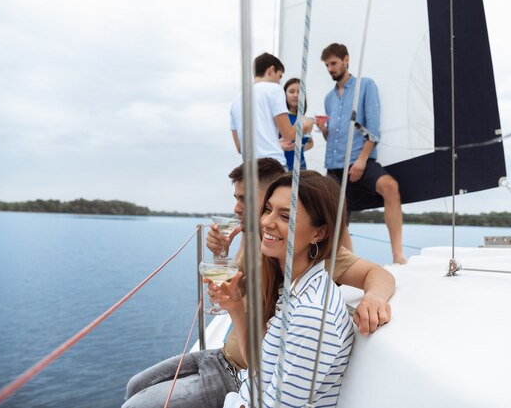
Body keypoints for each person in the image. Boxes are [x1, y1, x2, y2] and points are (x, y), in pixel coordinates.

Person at [123, 158, 395, 408]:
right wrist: (221, 259)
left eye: (245, 199)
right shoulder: (268, 254)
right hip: (238, 360)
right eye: (268, 209)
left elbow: (378, 274)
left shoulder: (313, 286)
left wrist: (374, 298)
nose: (237, 208)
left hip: (243, 372)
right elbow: (240, 296)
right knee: (135, 386)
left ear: (319, 232)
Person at [214, 171, 354, 407]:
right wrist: (236, 306)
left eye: (286, 216)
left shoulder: (311, 315)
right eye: (268, 209)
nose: (266, 222)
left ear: (318, 233)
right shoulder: (294, 288)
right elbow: (263, 371)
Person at [315, 43, 407, 264]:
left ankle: (398, 255)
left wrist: (362, 160)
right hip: (334, 166)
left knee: (391, 187)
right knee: (337, 216)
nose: (330, 69)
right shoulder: (328, 98)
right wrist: (324, 130)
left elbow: (373, 131)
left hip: (360, 160)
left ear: (346, 60)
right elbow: (333, 139)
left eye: (334, 63)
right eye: (327, 65)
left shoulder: (365, 86)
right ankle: (350, 264)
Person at [230, 53, 295, 168]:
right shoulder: (275, 89)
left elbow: (240, 147)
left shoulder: (236, 100)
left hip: (248, 170)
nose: (279, 81)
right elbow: (289, 135)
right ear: (271, 70)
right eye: (279, 76)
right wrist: (304, 125)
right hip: (272, 166)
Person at [281, 78, 314, 170]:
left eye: (299, 92)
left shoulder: (304, 119)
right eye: (291, 92)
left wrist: (300, 148)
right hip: (283, 167)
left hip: (301, 167)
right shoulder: (281, 118)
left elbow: (310, 143)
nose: (296, 95)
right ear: (284, 94)